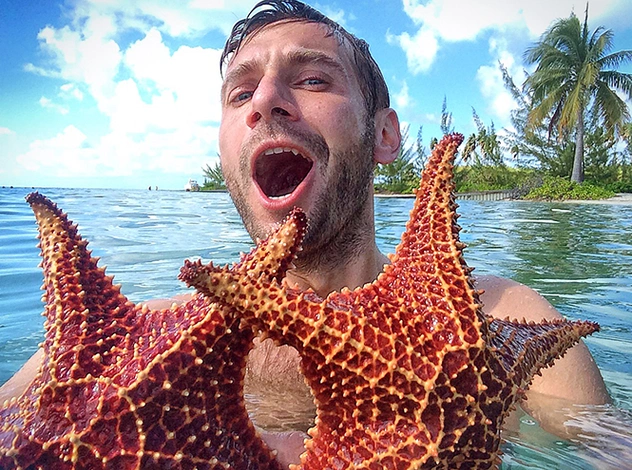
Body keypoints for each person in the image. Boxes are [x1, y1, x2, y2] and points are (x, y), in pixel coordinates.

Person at [0, 0, 610, 467]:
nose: (265, 101)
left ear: (385, 135)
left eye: (314, 79)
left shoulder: (497, 323)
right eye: (239, 93)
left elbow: (610, 452)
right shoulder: (123, 355)